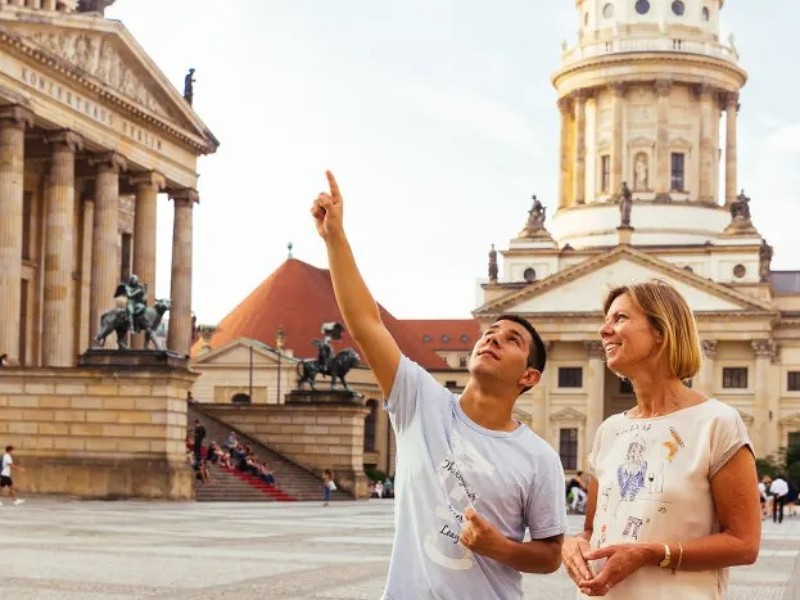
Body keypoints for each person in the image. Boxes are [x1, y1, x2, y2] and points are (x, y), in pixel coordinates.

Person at [311, 171, 566, 599]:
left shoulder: (538, 457)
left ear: (529, 376)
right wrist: (335, 238)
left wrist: (499, 547)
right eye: (491, 331)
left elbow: (551, 554)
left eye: (512, 340)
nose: (493, 339)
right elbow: (366, 324)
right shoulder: (420, 402)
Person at [561, 280, 760, 598]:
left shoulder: (716, 423)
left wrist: (653, 553)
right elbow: (593, 528)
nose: (604, 330)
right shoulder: (609, 431)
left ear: (661, 331)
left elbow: (744, 543)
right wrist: (575, 545)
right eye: (606, 319)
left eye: (620, 318)